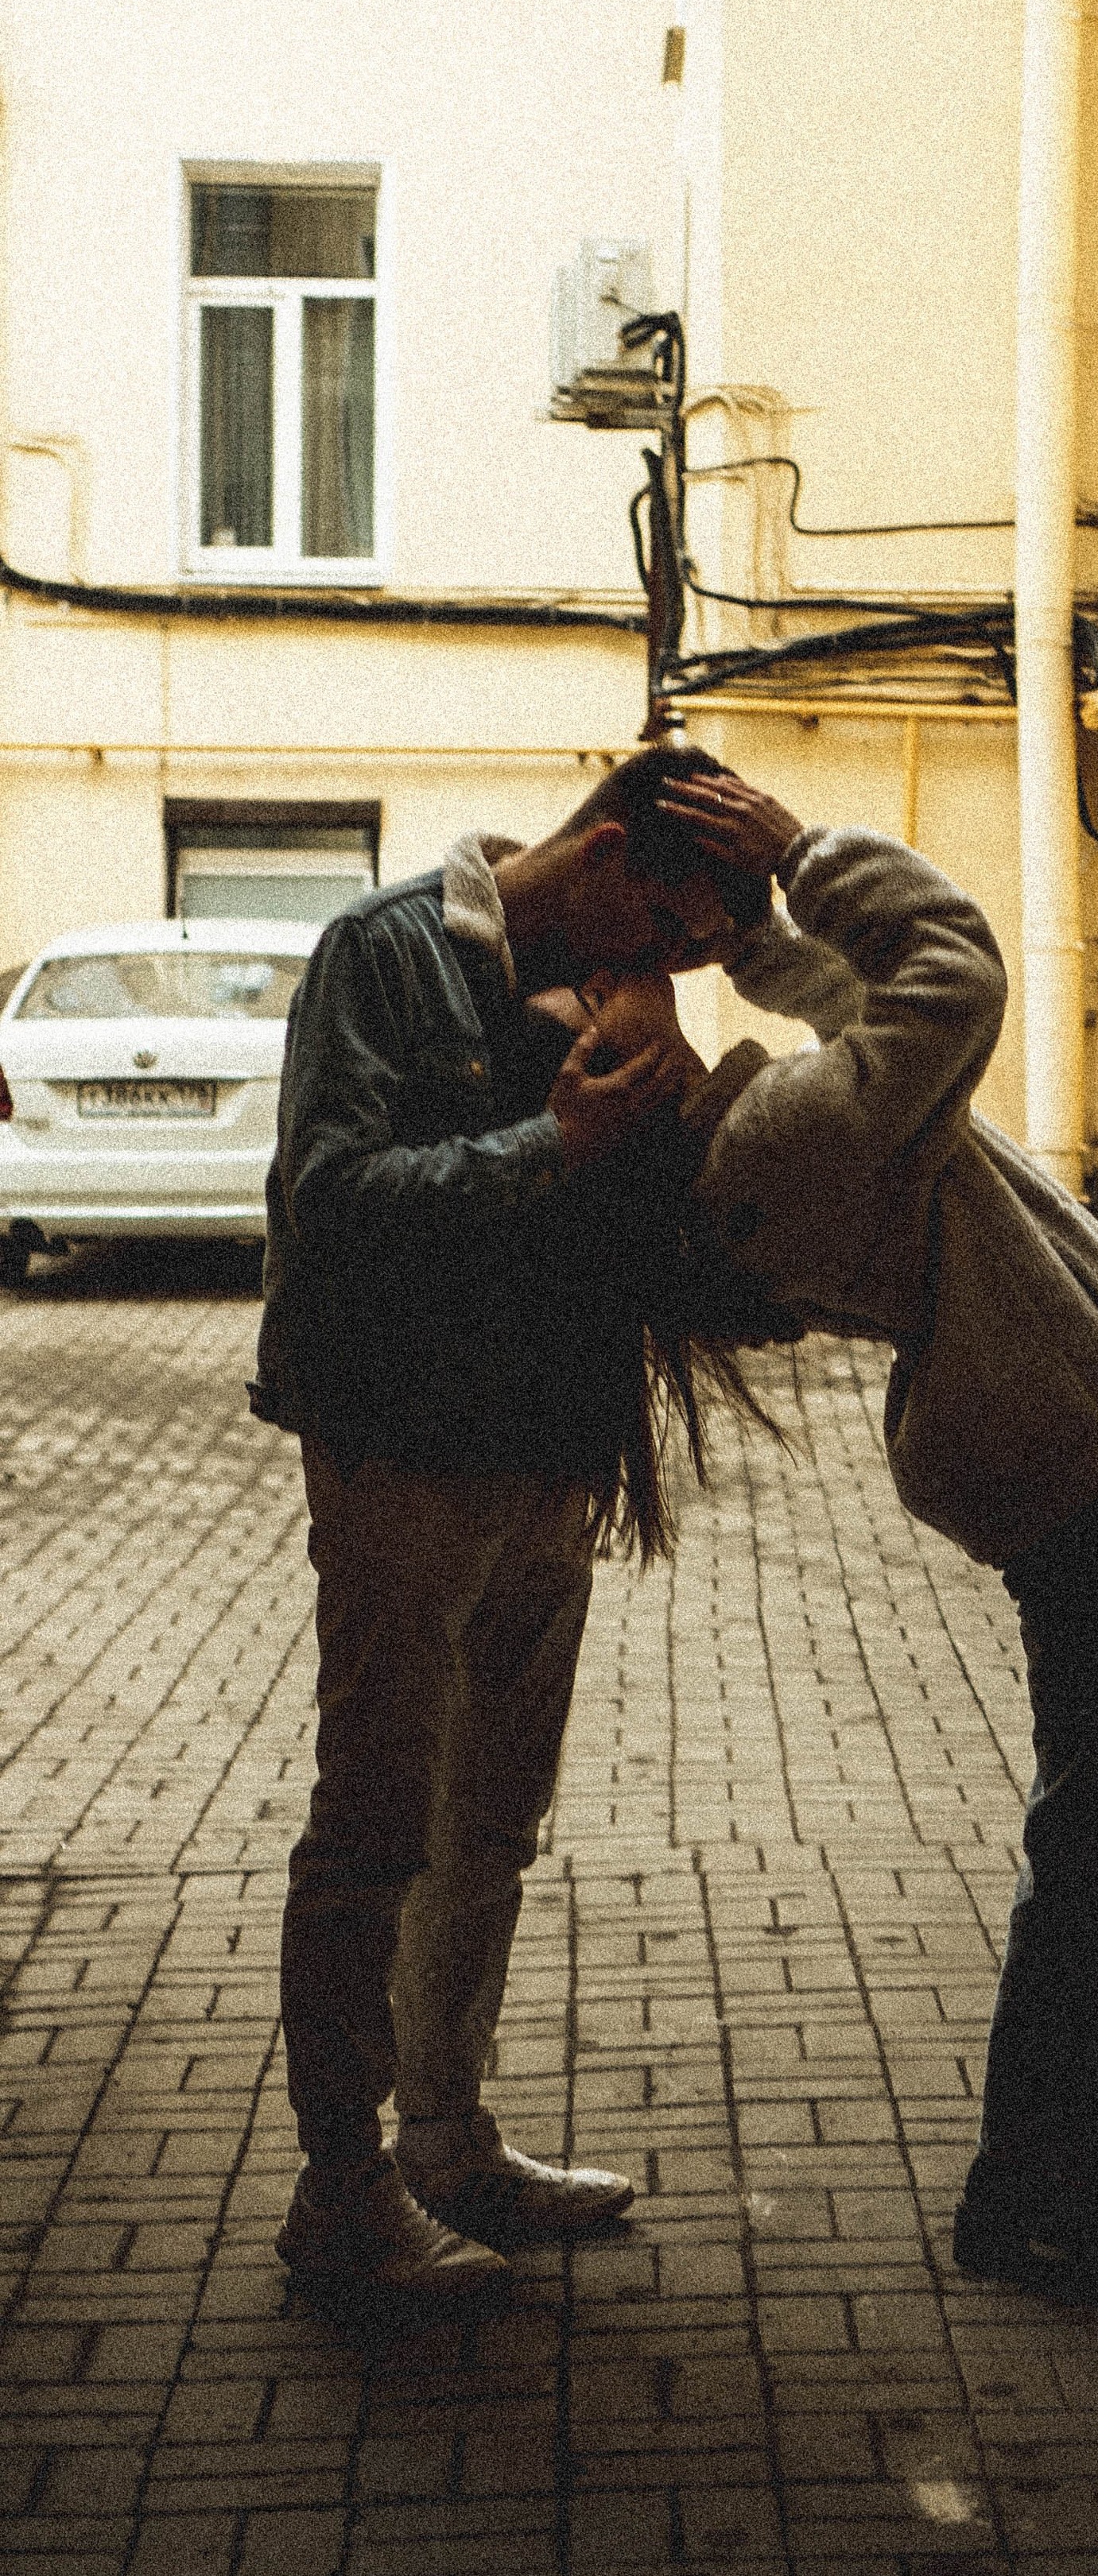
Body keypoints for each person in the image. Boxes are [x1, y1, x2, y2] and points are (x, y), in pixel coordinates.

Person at [576, 767, 1098, 2307]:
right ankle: (1048, 2192)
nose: (648, 992)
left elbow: (853, 1018)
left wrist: (746, 938)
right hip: (1059, 1442)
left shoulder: (746, 1145)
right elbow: (944, 976)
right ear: (615, 1081)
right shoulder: (775, 1145)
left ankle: (1068, 2166)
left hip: (1038, 1438)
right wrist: (805, 854)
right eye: (615, 998)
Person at [251, 749, 759, 2303]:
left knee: (490, 1824)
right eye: (669, 933)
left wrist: (674, 1088)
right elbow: (329, 1195)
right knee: (376, 1826)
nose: (666, 967)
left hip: (544, 1468)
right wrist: (556, 1145)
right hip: (401, 1460)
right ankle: (340, 2189)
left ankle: (449, 2140)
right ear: (604, 854)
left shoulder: (602, 1003)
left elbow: (657, 1257)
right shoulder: (384, 953)